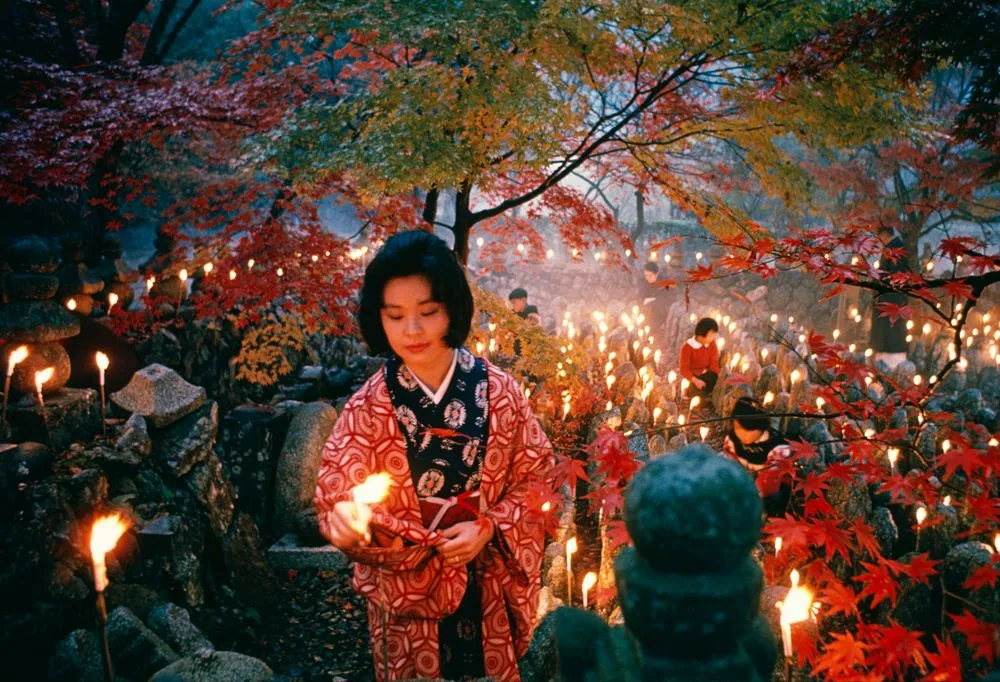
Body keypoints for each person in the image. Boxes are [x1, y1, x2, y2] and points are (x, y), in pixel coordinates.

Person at [315, 230, 552, 682]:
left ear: (452, 309)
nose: (412, 330)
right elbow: (337, 491)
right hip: (408, 586)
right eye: (395, 315)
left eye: (427, 312)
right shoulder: (368, 406)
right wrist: (343, 518)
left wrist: (489, 527)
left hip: (485, 578)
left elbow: (538, 479)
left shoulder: (499, 392)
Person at [721, 397, 793, 517]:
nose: (741, 434)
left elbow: (768, 484)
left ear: (761, 427)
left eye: (748, 430)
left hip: (769, 490)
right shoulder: (733, 439)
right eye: (737, 428)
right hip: (745, 480)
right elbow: (729, 462)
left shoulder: (777, 446)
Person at [870, 224, 910, 369]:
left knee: (891, 333)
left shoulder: (895, 248)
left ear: (884, 234)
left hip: (891, 299)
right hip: (889, 298)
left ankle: (888, 363)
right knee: (888, 332)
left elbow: (894, 276)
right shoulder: (893, 247)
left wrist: (877, 279)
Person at [679, 317, 720, 400]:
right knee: (696, 391)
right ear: (701, 336)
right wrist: (695, 381)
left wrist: (718, 377)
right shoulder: (687, 348)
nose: (712, 338)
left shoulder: (711, 344)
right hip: (693, 377)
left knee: (713, 378)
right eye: (711, 336)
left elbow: (713, 363)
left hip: (706, 375)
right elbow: (684, 369)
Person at [639, 263, 670, 335]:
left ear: (656, 274)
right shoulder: (644, 282)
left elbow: (669, 298)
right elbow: (640, 296)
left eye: (650, 276)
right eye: (646, 275)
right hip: (646, 311)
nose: (648, 278)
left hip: (660, 312)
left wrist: (653, 300)